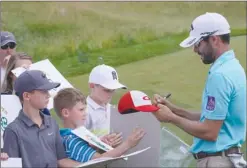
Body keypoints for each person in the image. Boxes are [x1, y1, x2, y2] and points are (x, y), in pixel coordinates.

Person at [152, 12, 246, 167]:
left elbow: (210, 131)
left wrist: (171, 118)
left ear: (214, 39)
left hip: (216, 161)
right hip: (226, 158)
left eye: (198, 44)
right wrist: (174, 109)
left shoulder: (220, 75)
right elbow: (212, 118)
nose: (195, 50)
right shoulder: (233, 66)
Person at [3, 70, 81, 167]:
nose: (48, 95)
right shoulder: (13, 131)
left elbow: (61, 160)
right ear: (27, 96)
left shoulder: (52, 123)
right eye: (43, 91)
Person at [53, 87, 145, 163]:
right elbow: (99, 160)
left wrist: (99, 144)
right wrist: (128, 144)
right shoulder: (72, 140)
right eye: (81, 110)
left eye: (85, 109)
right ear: (66, 113)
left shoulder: (69, 136)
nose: (85, 113)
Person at [85, 64, 127, 137]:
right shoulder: (84, 111)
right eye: (107, 90)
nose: (111, 94)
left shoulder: (110, 108)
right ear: (92, 85)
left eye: (113, 90)